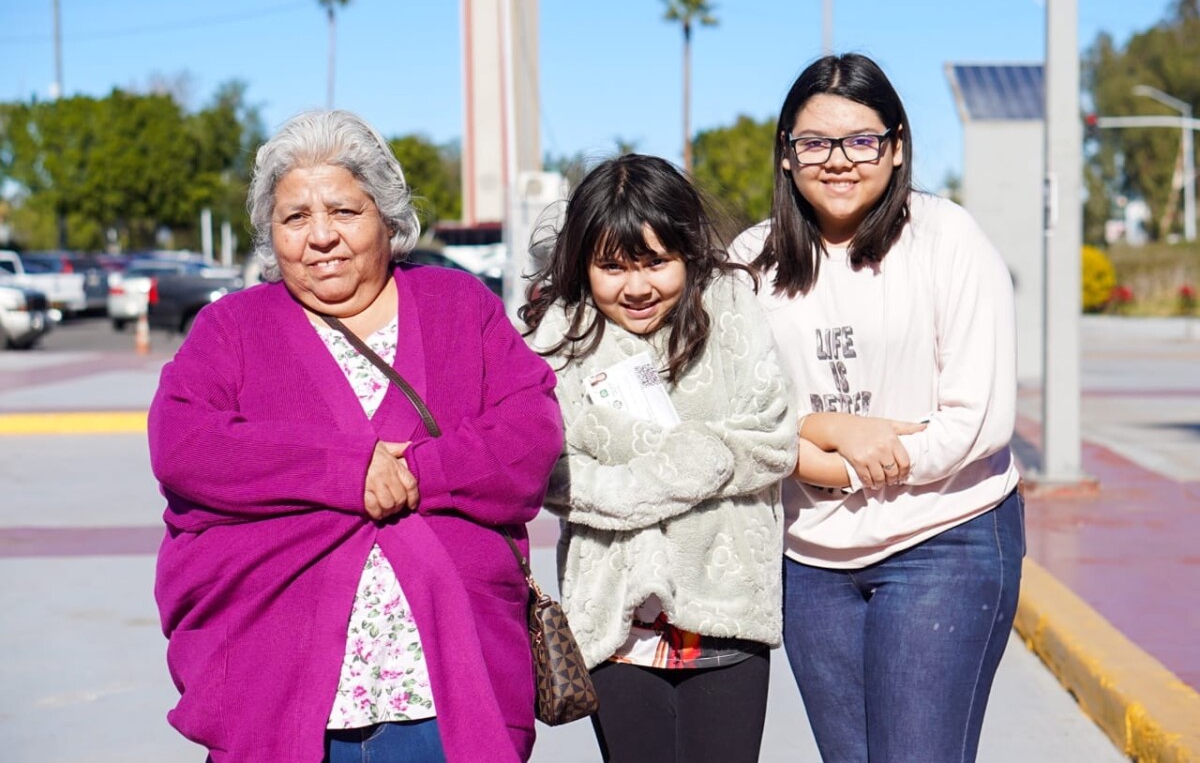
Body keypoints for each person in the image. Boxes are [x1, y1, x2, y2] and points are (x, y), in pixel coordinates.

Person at [149, 110, 564, 763]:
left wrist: (419, 474)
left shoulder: (459, 306)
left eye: (343, 211)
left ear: (388, 219)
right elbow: (186, 444)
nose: (320, 237)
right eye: (294, 218)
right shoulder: (232, 328)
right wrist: (346, 471)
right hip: (280, 694)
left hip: (441, 695)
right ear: (271, 234)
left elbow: (528, 430)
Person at [729, 53, 1024, 763]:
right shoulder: (750, 262)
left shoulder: (946, 238)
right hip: (808, 560)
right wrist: (831, 431)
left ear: (895, 149)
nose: (838, 160)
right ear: (786, 155)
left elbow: (977, 416)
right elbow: (734, 410)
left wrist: (843, 466)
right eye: (814, 142)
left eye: (862, 140)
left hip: (942, 539)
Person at [522, 154, 798, 763]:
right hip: (615, 628)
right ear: (582, 264)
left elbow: (775, 441)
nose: (638, 287)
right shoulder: (557, 341)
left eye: (656, 263)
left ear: (689, 252)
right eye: (612, 268)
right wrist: (702, 457)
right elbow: (548, 471)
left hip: (726, 614)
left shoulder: (731, 309)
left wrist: (626, 474)